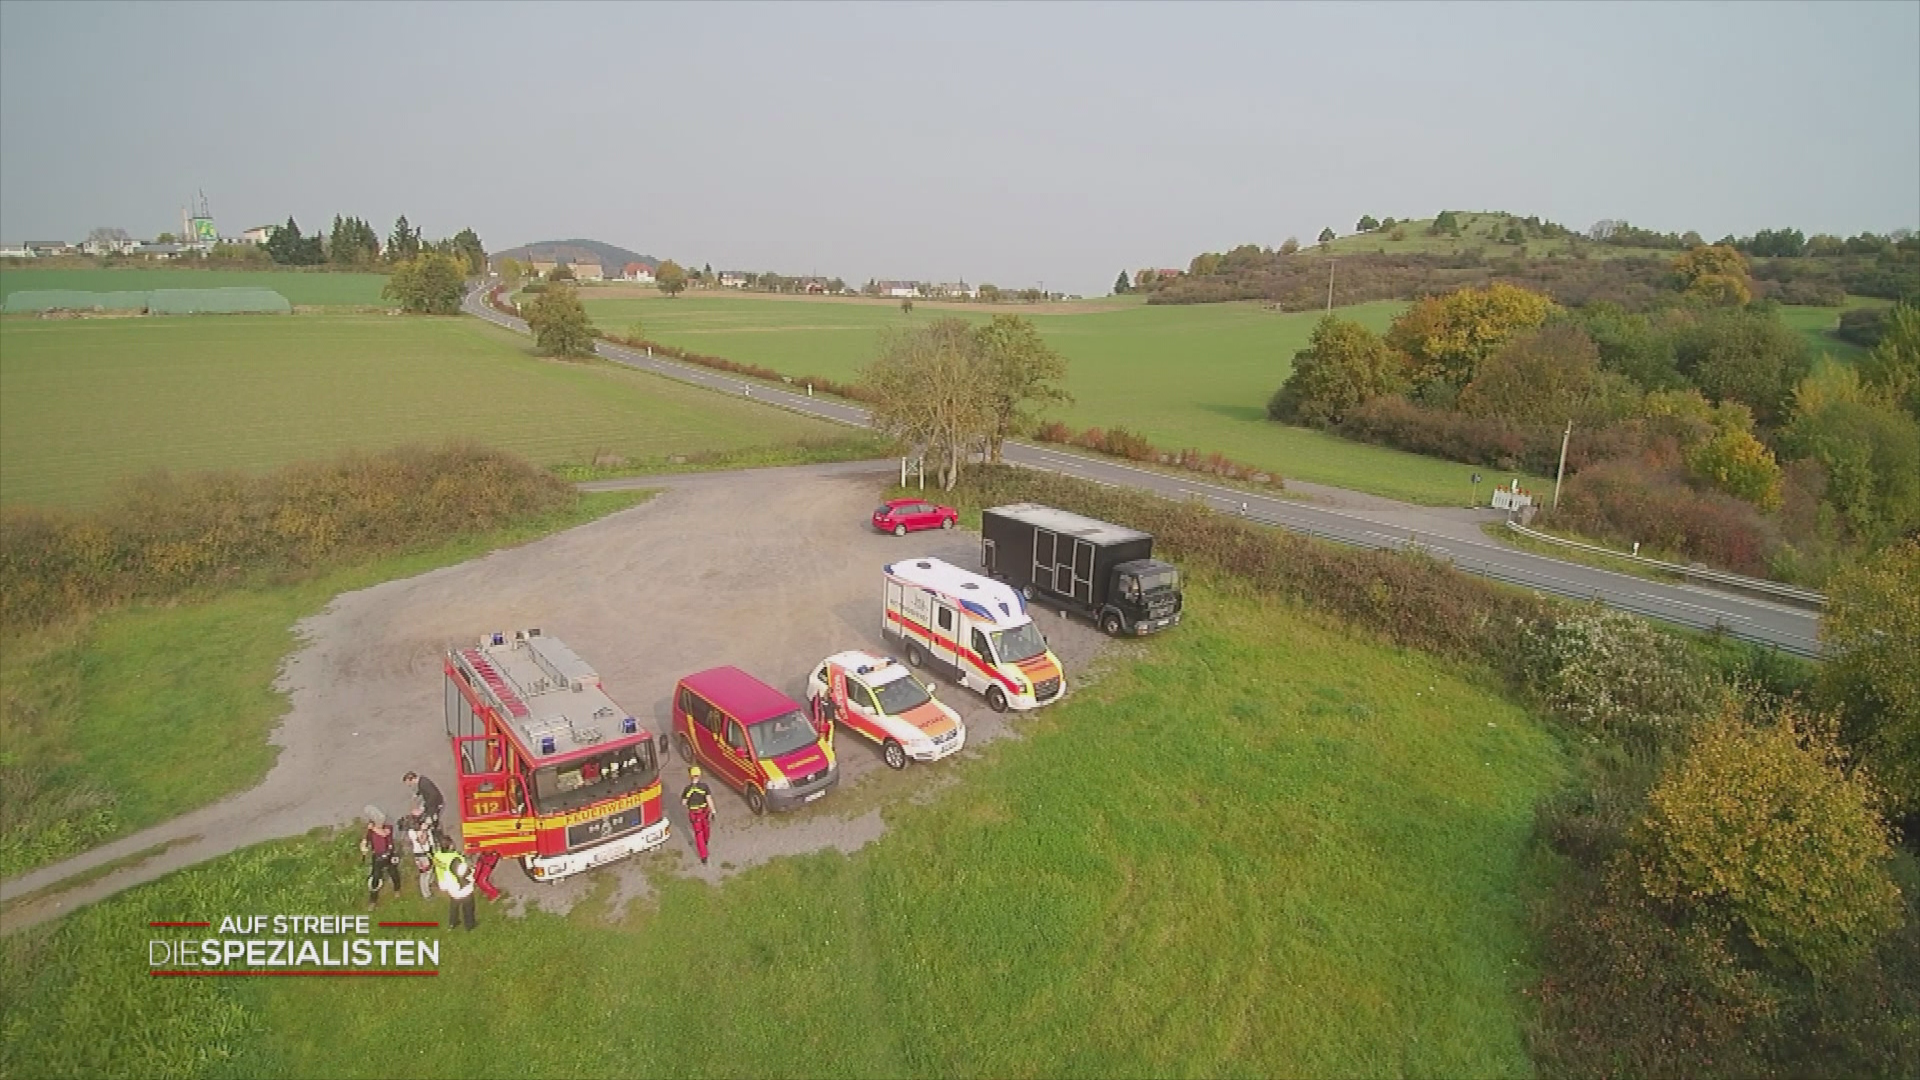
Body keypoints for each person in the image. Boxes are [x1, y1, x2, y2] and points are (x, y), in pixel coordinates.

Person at [433, 835, 478, 931]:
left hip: (448, 885)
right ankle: (470, 926)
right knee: (468, 906)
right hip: (460, 887)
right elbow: (463, 873)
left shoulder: (438, 855)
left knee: (454, 904)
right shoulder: (455, 859)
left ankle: (453, 923)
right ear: (450, 845)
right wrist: (472, 868)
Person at [361, 805, 401, 909]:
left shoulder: (388, 827)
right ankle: (373, 901)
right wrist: (363, 846)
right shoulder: (371, 830)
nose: (381, 823)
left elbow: (383, 834)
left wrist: (372, 828)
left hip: (389, 855)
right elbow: (366, 840)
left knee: (394, 874)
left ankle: (397, 890)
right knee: (375, 878)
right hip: (377, 857)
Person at [681, 766, 715, 866]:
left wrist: (687, 799)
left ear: (690, 776)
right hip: (704, 812)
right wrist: (713, 811)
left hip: (694, 814)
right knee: (706, 828)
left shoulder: (687, 789)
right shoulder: (704, 787)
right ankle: (706, 841)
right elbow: (709, 799)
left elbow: (683, 802)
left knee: (698, 833)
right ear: (700, 775)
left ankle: (703, 856)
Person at [399, 813, 436, 899]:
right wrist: (424, 831)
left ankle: (429, 883)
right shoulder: (413, 832)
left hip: (427, 851)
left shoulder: (422, 828)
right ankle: (426, 894)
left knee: (430, 870)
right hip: (421, 855)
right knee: (424, 874)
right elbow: (422, 841)